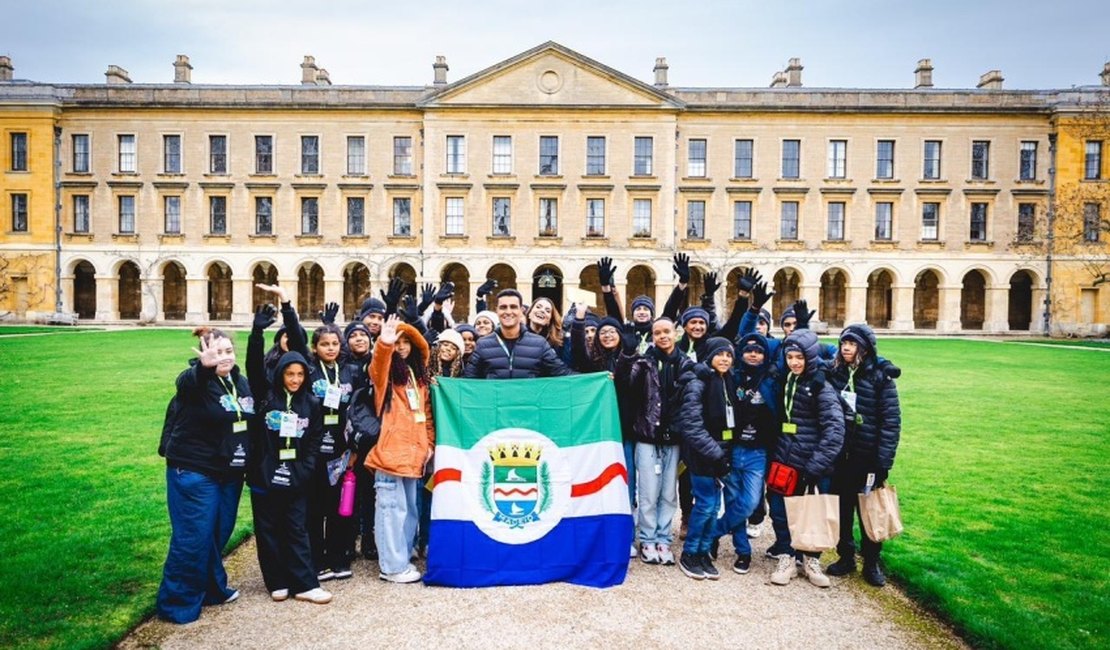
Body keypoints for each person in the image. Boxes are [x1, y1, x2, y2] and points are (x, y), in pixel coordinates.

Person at [157, 326, 253, 623]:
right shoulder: (196, 383)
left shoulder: (240, 382)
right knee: (193, 537)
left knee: (217, 533)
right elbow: (185, 383)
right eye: (215, 352)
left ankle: (212, 588)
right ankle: (177, 603)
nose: (223, 357)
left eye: (228, 351)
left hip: (229, 471)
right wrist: (203, 367)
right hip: (195, 470)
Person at [245, 310, 331, 604]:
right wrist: (256, 335)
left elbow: (315, 438)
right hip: (264, 474)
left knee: (296, 528)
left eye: (300, 374)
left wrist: (305, 469)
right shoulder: (266, 395)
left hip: (296, 474)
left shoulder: (311, 402)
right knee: (268, 529)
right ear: (280, 373)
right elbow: (253, 367)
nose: (295, 379)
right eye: (289, 373)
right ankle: (277, 580)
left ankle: (305, 583)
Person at [767, 326, 845, 589]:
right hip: (785, 457)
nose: (794, 362)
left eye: (799, 357)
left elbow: (835, 430)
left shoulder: (820, 385)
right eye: (790, 357)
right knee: (780, 509)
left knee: (813, 512)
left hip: (812, 461)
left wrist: (817, 464)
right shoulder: (787, 379)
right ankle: (787, 557)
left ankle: (811, 560)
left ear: (810, 357)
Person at [616, 317, 697, 567]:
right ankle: (647, 538)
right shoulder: (645, 362)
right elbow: (624, 383)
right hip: (648, 435)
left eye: (667, 332)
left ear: (675, 333)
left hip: (674, 438)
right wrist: (628, 354)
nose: (662, 336)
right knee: (648, 492)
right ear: (652, 336)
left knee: (668, 493)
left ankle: (664, 537)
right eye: (657, 332)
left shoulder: (686, 363)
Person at [825, 324, 902, 587]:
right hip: (840, 455)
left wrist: (883, 462)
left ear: (864, 348)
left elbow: (891, 423)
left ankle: (871, 562)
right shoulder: (835, 372)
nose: (846, 347)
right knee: (843, 509)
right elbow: (805, 354)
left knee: (871, 510)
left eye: (852, 343)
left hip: (866, 457)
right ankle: (846, 556)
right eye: (843, 342)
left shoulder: (881, 377)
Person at [364, 314, 435, 583]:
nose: (402, 346)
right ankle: (392, 567)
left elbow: (426, 414)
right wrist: (384, 343)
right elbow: (378, 366)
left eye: (407, 342)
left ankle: (403, 556)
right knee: (391, 510)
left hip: (413, 455)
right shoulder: (386, 380)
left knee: (409, 511)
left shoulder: (418, 379)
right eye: (399, 342)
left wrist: (429, 443)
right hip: (390, 454)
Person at [713, 332, 777, 574]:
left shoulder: (771, 379)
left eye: (759, 351)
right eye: (749, 350)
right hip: (733, 447)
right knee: (732, 500)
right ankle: (743, 552)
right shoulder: (731, 377)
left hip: (757, 451)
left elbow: (804, 348)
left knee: (749, 502)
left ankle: (713, 532)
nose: (753, 354)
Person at [677, 337, 732, 581]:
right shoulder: (697, 383)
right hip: (702, 454)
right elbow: (691, 425)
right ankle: (690, 553)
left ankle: (703, 552)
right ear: (709, 356)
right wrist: (717, 453)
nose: (725, 359)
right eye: (720, 354)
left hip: (719, 453)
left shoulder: (725, 380)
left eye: (729, 355)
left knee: (714, 507)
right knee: (706, 504)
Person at [463, 289, 571, 379]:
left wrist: (588, 382)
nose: (508, 312)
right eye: (503, 307)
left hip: (527, 404)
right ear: (497, 311)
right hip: (495, 404)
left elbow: (563, 374)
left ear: (521, 310)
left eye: (513, 307)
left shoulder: (540, 343)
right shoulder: (483, 344)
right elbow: (468, 382)